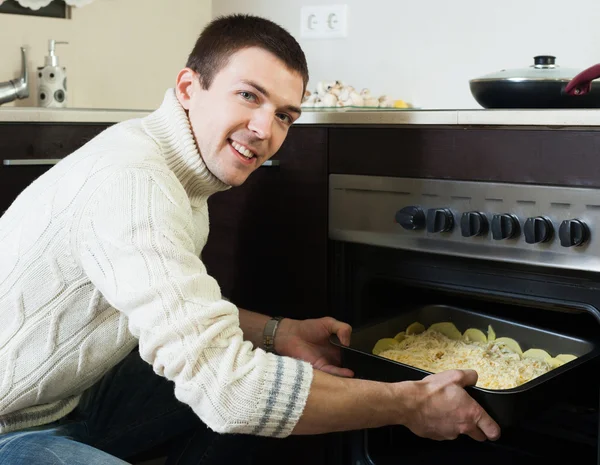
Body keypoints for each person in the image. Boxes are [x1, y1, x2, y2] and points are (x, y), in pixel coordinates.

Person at [0, 13, 500, 465]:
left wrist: (278, 333)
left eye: (285, 114)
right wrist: (409, 405)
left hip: (74, 396)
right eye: (248, 95)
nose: (265, 128)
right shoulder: (134, 183)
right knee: (239, 390)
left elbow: (174, 308)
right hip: (10, 426)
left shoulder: (174, 173)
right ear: (189, 87)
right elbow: (230, 390)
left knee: (269, 391)